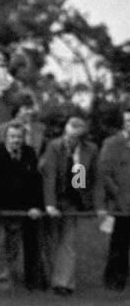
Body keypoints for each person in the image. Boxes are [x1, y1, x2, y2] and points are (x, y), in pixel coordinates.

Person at [0, 123, 46, 289]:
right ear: (5, 137)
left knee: (13, 245)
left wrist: (36, 206)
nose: (16, 140)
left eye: (19, 137)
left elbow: (36, 182)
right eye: (13, 137)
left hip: (21, 210)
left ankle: (10, 277)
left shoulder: (30, 153)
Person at [39, 115, 98, 296]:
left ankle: (63, 283)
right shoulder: (53, 146)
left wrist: (90, 202)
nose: (71, 140)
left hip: (73, 201)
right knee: (51, 241)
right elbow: (49, 177)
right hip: (54, 197)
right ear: (65, 131)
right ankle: (49, 278)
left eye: (75, 137)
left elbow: (91, 178)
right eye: (69, 136)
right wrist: (50, 205)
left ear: (81, 136)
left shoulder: (90, 150)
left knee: (68, 241)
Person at [96, 107, 130, 290]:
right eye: (128, 121)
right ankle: (114, 280)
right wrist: (118, 194)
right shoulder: (112, 143)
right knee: (119, 243)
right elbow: (105, 173)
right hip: (120, 202)